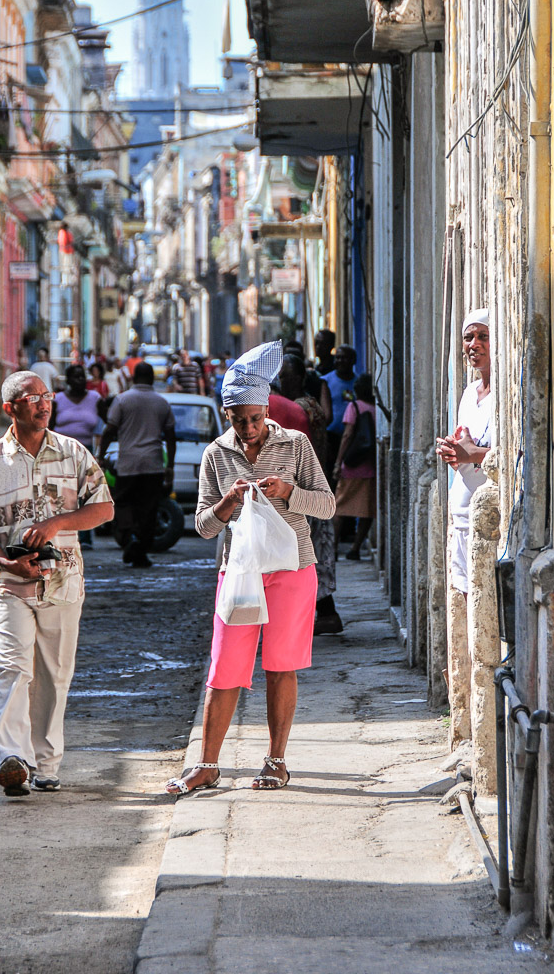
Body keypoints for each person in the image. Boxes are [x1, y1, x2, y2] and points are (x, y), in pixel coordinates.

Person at [166, 340, 334, 797]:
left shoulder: (295, 444)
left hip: (292, 568)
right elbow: (202, 526)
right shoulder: (217, 455)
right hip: (239, 574)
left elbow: (327, 504)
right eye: (240, 421)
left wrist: (288, 492)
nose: (250, 429)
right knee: (225, 668)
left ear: (267, 410)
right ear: (227, 416)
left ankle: (277, 761)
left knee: (281, 666)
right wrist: (227, 502)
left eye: (256, 419)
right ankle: (207, 764)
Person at [0, 371, 113, 796]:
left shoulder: (73, 453)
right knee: (13, 666)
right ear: (10, 408)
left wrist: (58, 522)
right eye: (32, 398)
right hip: (8, 584)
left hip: (63, 581)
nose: (43, 404)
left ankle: (46, 764)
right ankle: (12, 757)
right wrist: (6, 560)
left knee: (54, 674)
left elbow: (103, 509)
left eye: (47, 396)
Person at [278, 353, 342, 634]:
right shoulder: (310, 405)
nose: (282, 381)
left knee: (307, 553)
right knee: (314, 552)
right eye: (281, 377)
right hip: (314, 485)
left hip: (306, 488)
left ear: (299, 378)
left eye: (287, 376)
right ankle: (324, 612)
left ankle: (320, 613)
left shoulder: (299, 409)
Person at [98, 361, 176, 568]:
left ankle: (129, 538)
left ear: (133, 378)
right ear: (152, 379)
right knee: (148, 508)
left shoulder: (122, 400)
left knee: (123, 502)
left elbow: (109, 430)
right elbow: (170, 436)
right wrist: (170, 467)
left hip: (128, 463)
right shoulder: (161, 403)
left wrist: (100, 455)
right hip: (153, 464)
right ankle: (141, 550)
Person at [436, 309, 492, 595]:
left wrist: (473, 454)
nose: (474, 344)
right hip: (461, 512)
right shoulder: (470, 393)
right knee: (465, 589)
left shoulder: (502, 395)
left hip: (488, 521)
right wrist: (453, 452)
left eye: (483, 336)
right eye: (468, 337)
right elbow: (465, 448)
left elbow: (509, 455)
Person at [51, 366, 103, 548]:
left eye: (82, 376)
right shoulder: (58, 400)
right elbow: (48, 427)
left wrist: (101, 453)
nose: (80, 380)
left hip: (86, 451)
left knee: (86, 493)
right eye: (75, 377)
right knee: (63, 494)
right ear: (68, 380)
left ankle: (86, 537)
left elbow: (107, 423)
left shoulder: (95, 399)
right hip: (60, 453)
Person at [332, 373, 377, 561]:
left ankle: (332, 548)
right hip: (369, 466)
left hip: (351, 465)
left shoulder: (354, 406)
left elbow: (347, 435)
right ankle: (355, 548)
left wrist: (338, 462)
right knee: (366, 510)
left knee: (339, 508)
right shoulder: (376, 409)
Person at [320, 344, 358, 485]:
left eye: (344, 358)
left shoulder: (358, 382)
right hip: (332, 437)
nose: (340, 361)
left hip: (352, 438)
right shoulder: (326, 380)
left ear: (353, 361)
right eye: (338, 358)